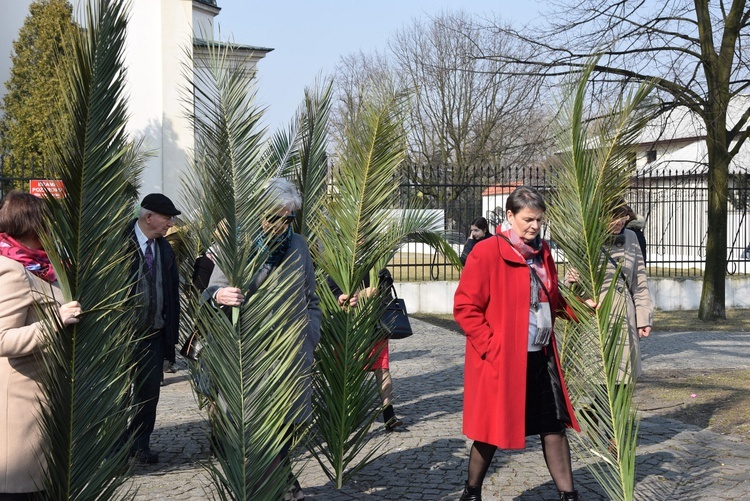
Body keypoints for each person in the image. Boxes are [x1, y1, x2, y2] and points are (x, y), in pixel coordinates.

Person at [453, 186, 581, 501]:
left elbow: (551, 299)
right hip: (502, 361)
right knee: (491, 432)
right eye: (527, 219)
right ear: (510, 216)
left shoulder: (544, 253)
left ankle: (569, 496)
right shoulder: (487, 252)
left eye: (539, 220)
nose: (534, 226)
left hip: (541, 358)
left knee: (553, 426)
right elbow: (465, 308)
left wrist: (579, 299)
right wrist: (492, 347)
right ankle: (472, 492)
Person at [206, 178, 322, 501]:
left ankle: (282, 486)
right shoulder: (238, 246)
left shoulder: (298, 245)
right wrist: (221, 295)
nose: (282, 225)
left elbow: (312, 298)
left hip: (292, 357)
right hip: (252, 360)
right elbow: (209, 291)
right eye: (275, 217)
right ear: (259, 215)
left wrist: (311, 334)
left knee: (282, 427)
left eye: (288, 218)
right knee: (258, 430)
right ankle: (283, 487)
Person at [0, 191, 82, 499]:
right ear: (34, 226)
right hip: (22, 402)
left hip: (45, 396)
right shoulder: (11, 269)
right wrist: (55, 322)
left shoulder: (41, 266)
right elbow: (3, 339)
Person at [124, 193, 181, 464]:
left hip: (153, 334)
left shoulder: (165, 249)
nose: (171, 223)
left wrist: (170, 337)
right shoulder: (119, 242)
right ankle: (115, 449)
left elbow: (172, 294)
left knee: (148, 394)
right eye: (167, 217)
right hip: (121, 337)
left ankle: (140, 444)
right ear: (149, 217)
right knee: (119, 395)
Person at [327, 269, 405, 432]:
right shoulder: (340, 264)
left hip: (374, 327)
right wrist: (360, 294)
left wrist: (384, 285)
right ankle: (344, 417)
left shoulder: (377, 266)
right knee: (347, 373)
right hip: (348, 330)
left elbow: (387, 295)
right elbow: (330, 295)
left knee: (383, 370)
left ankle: (389, 415)